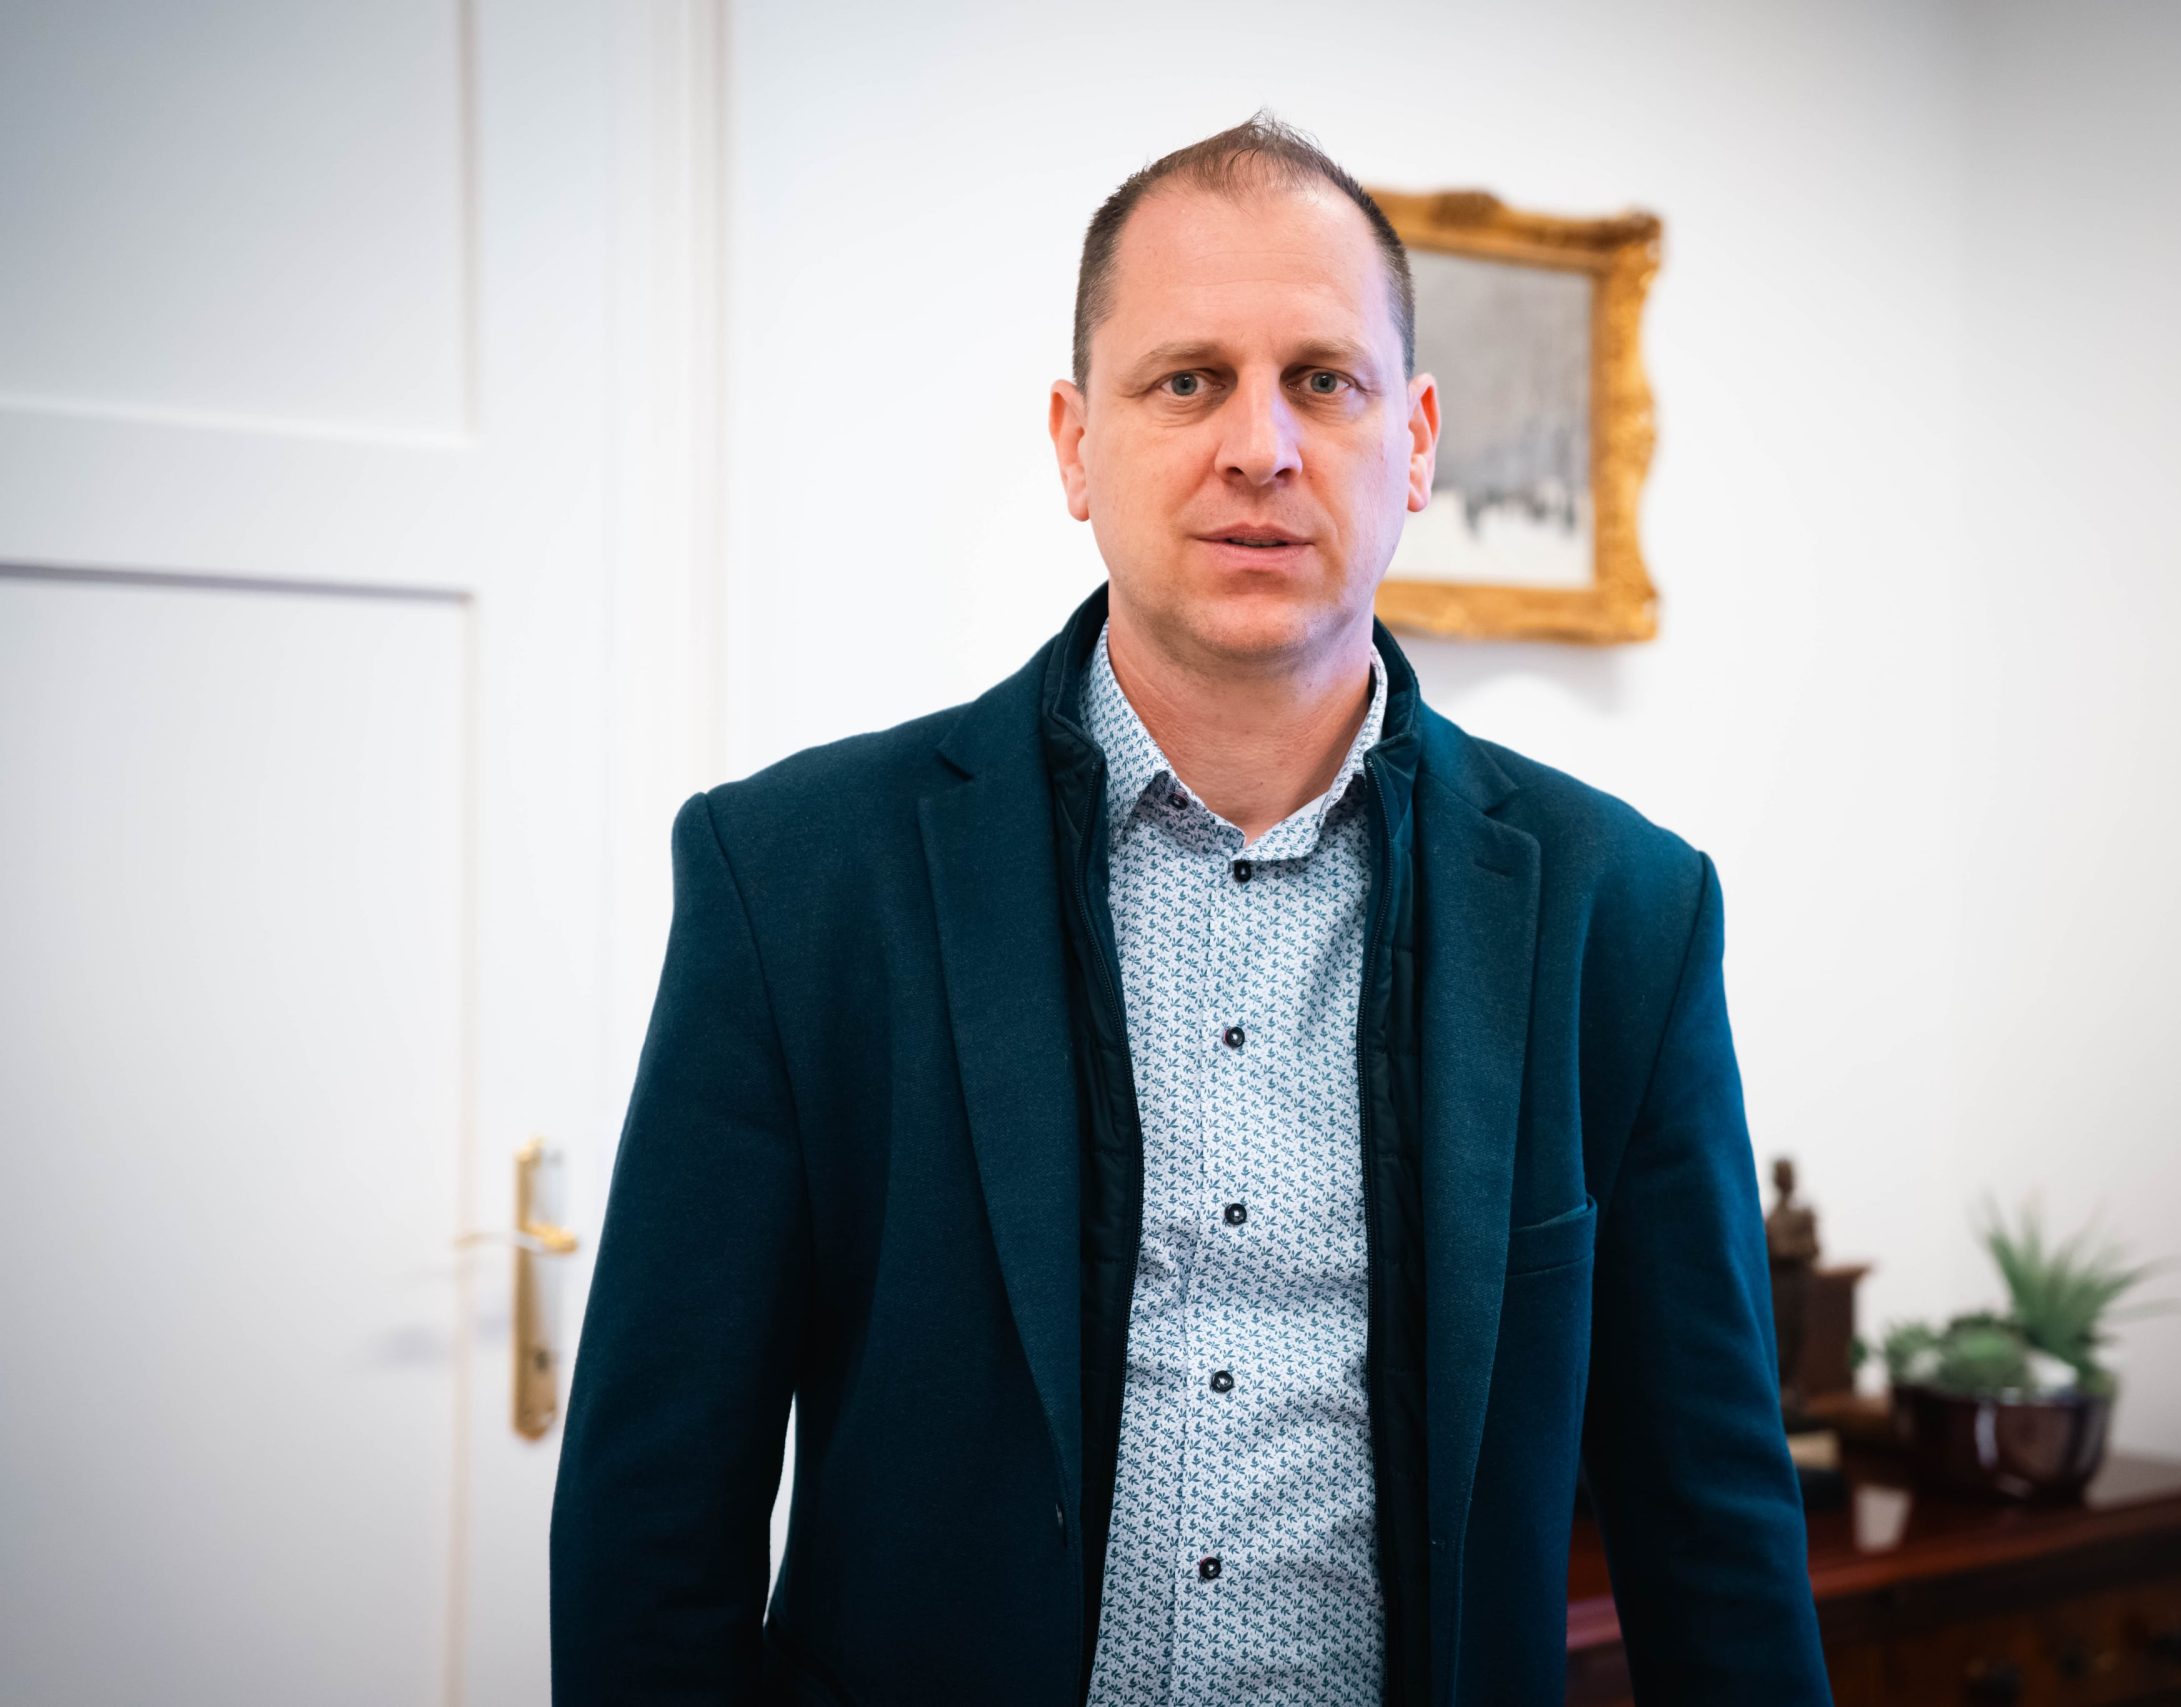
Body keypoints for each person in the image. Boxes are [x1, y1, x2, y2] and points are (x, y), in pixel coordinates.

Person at [550, 111, 1830, 1707]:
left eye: (1324, 380)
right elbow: (653, 1523)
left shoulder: (1621, 915)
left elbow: (1712, 1528)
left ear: (1417, 441)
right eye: (1187, 380)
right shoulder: (795, 881)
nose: (1259, 447)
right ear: (1075, 443)